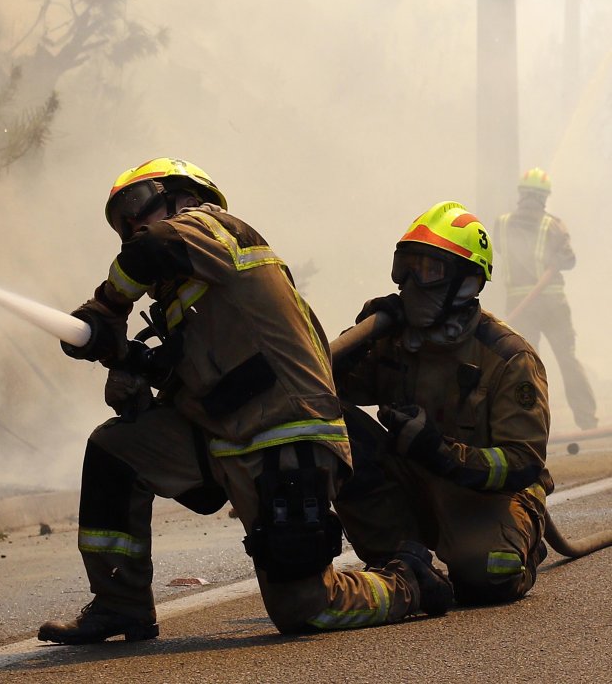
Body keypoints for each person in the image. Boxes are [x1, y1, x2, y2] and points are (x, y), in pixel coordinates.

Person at [38, 158, 452, 645]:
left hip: (286, 434)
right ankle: (119, 605)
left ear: (184, 196)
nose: (129, 226)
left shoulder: (213, 228)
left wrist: (107, 306)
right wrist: (128, 363)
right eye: (118, 222)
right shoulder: (189, 300)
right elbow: (201, 376)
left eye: (134, 206)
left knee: (305, 609)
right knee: (116, 448)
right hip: (224, 435)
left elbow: (153, 246)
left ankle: (409, 580)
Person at [334, 200, 553, 606]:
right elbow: (331, 389)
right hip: (411, 480)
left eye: (431, 270)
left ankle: (524, 538)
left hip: (488, 495)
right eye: (408, 267)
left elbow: (523, 461)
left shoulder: (508, 358)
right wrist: (357, 337)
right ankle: (398, 554)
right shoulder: (393, 338)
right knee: (332, 426)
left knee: (488, 577)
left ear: (468, 283)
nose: (412, 283)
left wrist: (441, 453)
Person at [494, 168, 598, 431]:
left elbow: (500, 249)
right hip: (553, 307)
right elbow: (569, 259)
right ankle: (586, 420)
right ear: (544, 197)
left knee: (524, 366)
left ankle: (528, 425)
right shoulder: (553, 225)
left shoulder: (502, 223)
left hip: (521, 306)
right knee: (567, 359)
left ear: (521, 195)